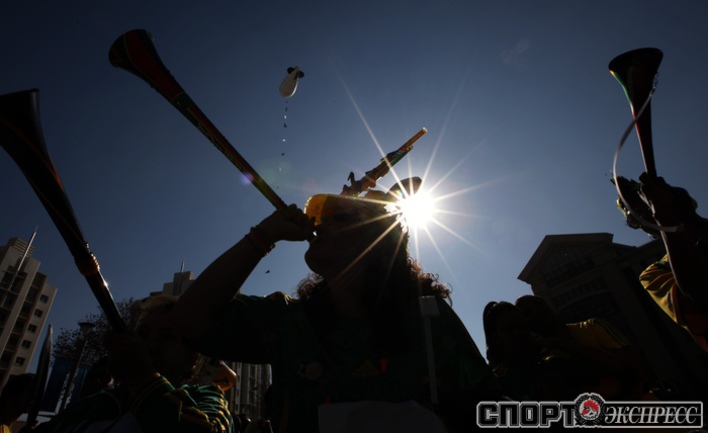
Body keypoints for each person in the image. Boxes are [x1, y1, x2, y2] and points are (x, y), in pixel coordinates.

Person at [170, 190, 501, 432]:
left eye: (339, 218)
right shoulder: (288, 321)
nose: (320, 226)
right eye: (322, 219)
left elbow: (491, 408)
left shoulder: (427, 318)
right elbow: (188, 320)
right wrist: (265, 234)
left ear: (378, 241)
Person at [34, 294, 234, 433]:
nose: (150, 346)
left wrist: (141, 378)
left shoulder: (205, 400)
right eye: (143, 335)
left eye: (168, 337)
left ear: (192, 358)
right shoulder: (92, 406)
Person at [614, 174, 708, 352]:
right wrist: (664, 215)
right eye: (638, 216)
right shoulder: (655, 273)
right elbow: (700, 295)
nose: (648, 213)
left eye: (647, 206)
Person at [514, 295, 648, 400]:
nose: (536, 312)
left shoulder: (592, 326)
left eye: (538, 305)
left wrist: (560, 344)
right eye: (527, 313)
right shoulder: (545, 360)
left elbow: (635, 362)